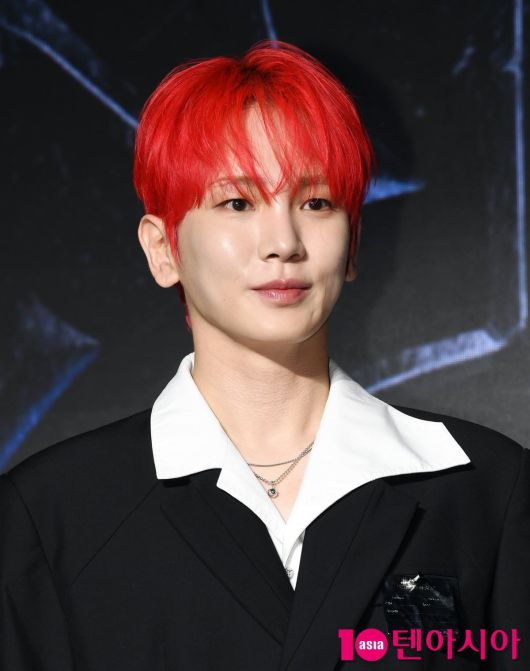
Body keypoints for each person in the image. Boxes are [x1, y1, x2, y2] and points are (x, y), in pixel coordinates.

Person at [1, 39, 529, 671]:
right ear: (163, 249)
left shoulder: (486, 490)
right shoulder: (50, 515)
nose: (283, 242)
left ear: (353, 243)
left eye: (316, 203)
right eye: (237, 203)